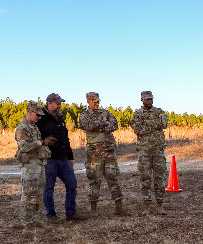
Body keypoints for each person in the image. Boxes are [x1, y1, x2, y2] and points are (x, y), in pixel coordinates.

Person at [36, 93, 86, 221]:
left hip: (63, 159)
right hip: (49, 159)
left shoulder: (60, 118)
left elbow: (66, 139)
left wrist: (70, 157)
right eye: (57, 104)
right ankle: (51, 215)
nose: (60, 106)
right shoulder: (40, 118)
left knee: (72, 184)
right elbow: (36, 139)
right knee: (49, 188)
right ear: (49, 103)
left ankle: (71, 213)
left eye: (60, 103)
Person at [79, 92, 129, 216]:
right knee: (94, 179)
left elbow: (115, 124)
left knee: (113, 177)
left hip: (109, 151)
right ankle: (93, 209)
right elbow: (88, 126)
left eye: (98, 101)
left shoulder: (105, 113)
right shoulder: (84, 115)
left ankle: (119, 207)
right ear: (88, 102)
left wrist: (102, 126)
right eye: (94, 101)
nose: (97, 103)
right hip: (95, 153)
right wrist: (104, 124)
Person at [14, 101, 56, 228]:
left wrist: (45, 143)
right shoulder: (22, 127)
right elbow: (24, 147)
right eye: (37, 115)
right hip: (29, 166)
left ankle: (35, 220)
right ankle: (26, 222)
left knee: (38, 193)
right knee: (28, 194)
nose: (39, 117)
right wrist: (40, 143)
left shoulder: (34, 126)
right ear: (30, 112)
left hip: (38, 164)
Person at [131, 91, 169, 215]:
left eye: (150, 99)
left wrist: (146, 123)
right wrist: (154, 125)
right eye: (147, 99)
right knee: (145, 178)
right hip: (144, 150)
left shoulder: (159, 111)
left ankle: (159, 205)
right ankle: (146, 206)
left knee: (160, 178)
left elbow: (164, 124)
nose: (149, 101)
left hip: (158, 150)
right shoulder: (137, 113)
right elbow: (137, 129)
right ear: (142, 100)